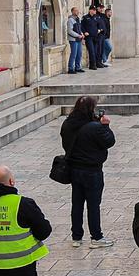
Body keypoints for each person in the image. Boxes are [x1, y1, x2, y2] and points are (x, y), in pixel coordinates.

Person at [59, 95, 114, 248]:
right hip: (92, 171)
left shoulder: (68, 124)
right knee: (93, 204)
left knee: (76, 204)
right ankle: (96, 237)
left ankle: (76, 237)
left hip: (74, 169)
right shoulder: (95, 127)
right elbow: (109, 141)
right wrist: (106, 126)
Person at [65, 6, 85, 74]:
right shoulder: (70, 20)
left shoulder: (78, 19)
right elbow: (69, 31)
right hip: (73, 40)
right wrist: (78, 35)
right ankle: (70, 68)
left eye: (78, 10)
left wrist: (82, 34)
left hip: (79, 39)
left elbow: (79, 29)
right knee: (73, 54)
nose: (78, 12)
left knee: (79, 54)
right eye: (76, 10)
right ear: (72, 11)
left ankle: (77, 67)